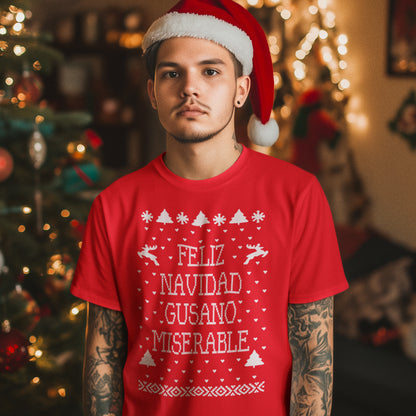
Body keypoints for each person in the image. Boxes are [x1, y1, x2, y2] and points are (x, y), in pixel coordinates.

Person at [70, 0, 349, 415]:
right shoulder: (115, 206)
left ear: (241, 90)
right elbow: (103, 357)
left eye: (210, 71)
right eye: (171, 74)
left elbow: (314, 357)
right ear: (152, 93)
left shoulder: (298, 196)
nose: (190, 88)